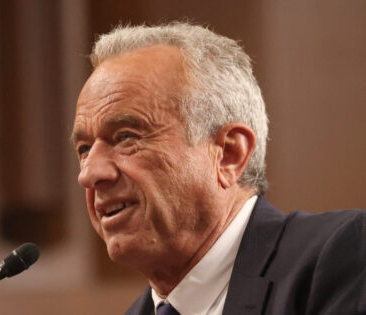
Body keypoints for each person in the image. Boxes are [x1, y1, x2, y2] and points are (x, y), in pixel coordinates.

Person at [71, 22, 366, 315]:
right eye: (84, 149)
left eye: (126, 137)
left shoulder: (339, 256)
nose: (89, 174)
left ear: (228, 154)